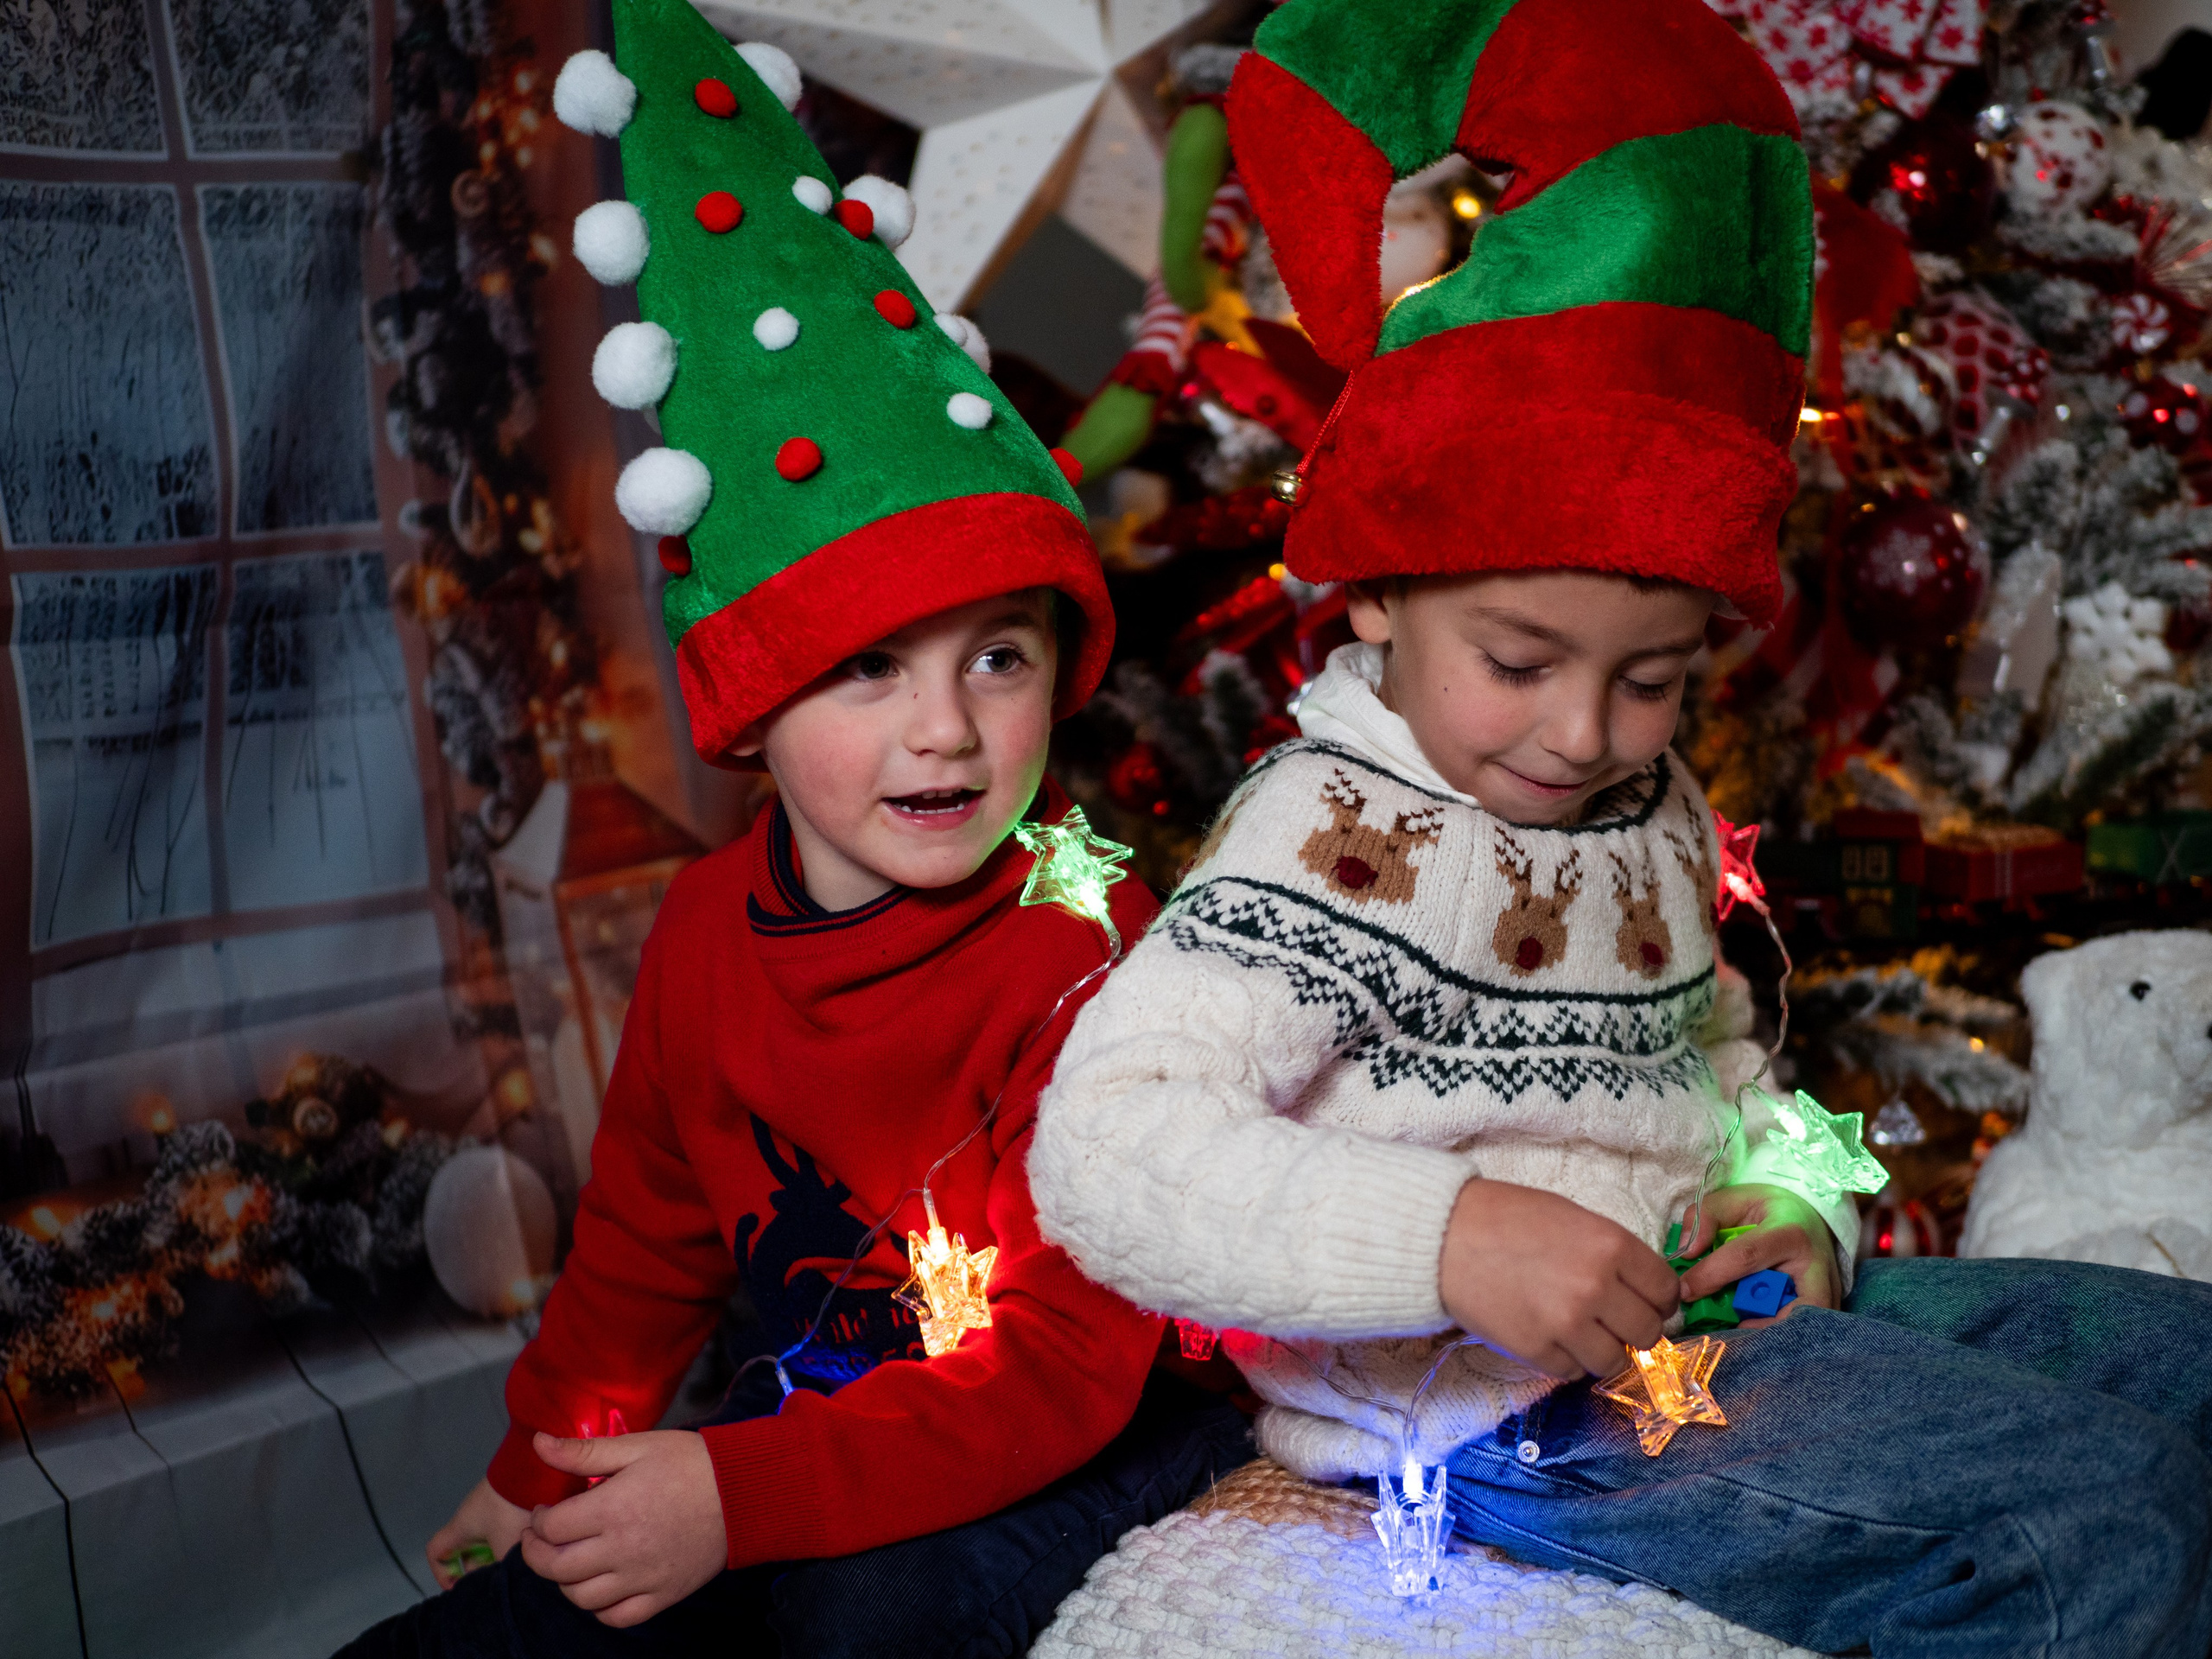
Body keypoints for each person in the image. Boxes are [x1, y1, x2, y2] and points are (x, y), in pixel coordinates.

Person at [1027, 1, 2212, 1653]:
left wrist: (1811, 1206)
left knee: (2186, 1366)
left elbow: (1722, 1064)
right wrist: (1447, 1239)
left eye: (1649, 680)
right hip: (1507, 1410)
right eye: (1519, 664)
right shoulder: (1325, 837)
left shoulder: (1644, 810)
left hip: (1724, 1312)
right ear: (1380, 592)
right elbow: (1106, 1154)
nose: (1583, 735)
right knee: (2098, 1518)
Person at [339, 4, 1249, 1654]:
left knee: (853, 1613)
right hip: (815, 1403)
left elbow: (1061, 1364)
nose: (946, 730)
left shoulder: (1091, 941)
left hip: (1092, 1428)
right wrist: (547, 1471)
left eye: (998, 658)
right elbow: (642, 1251)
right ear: (751, 705)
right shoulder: (701, 938)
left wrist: (742, 1499)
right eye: (862, 671)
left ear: (1060, 667)